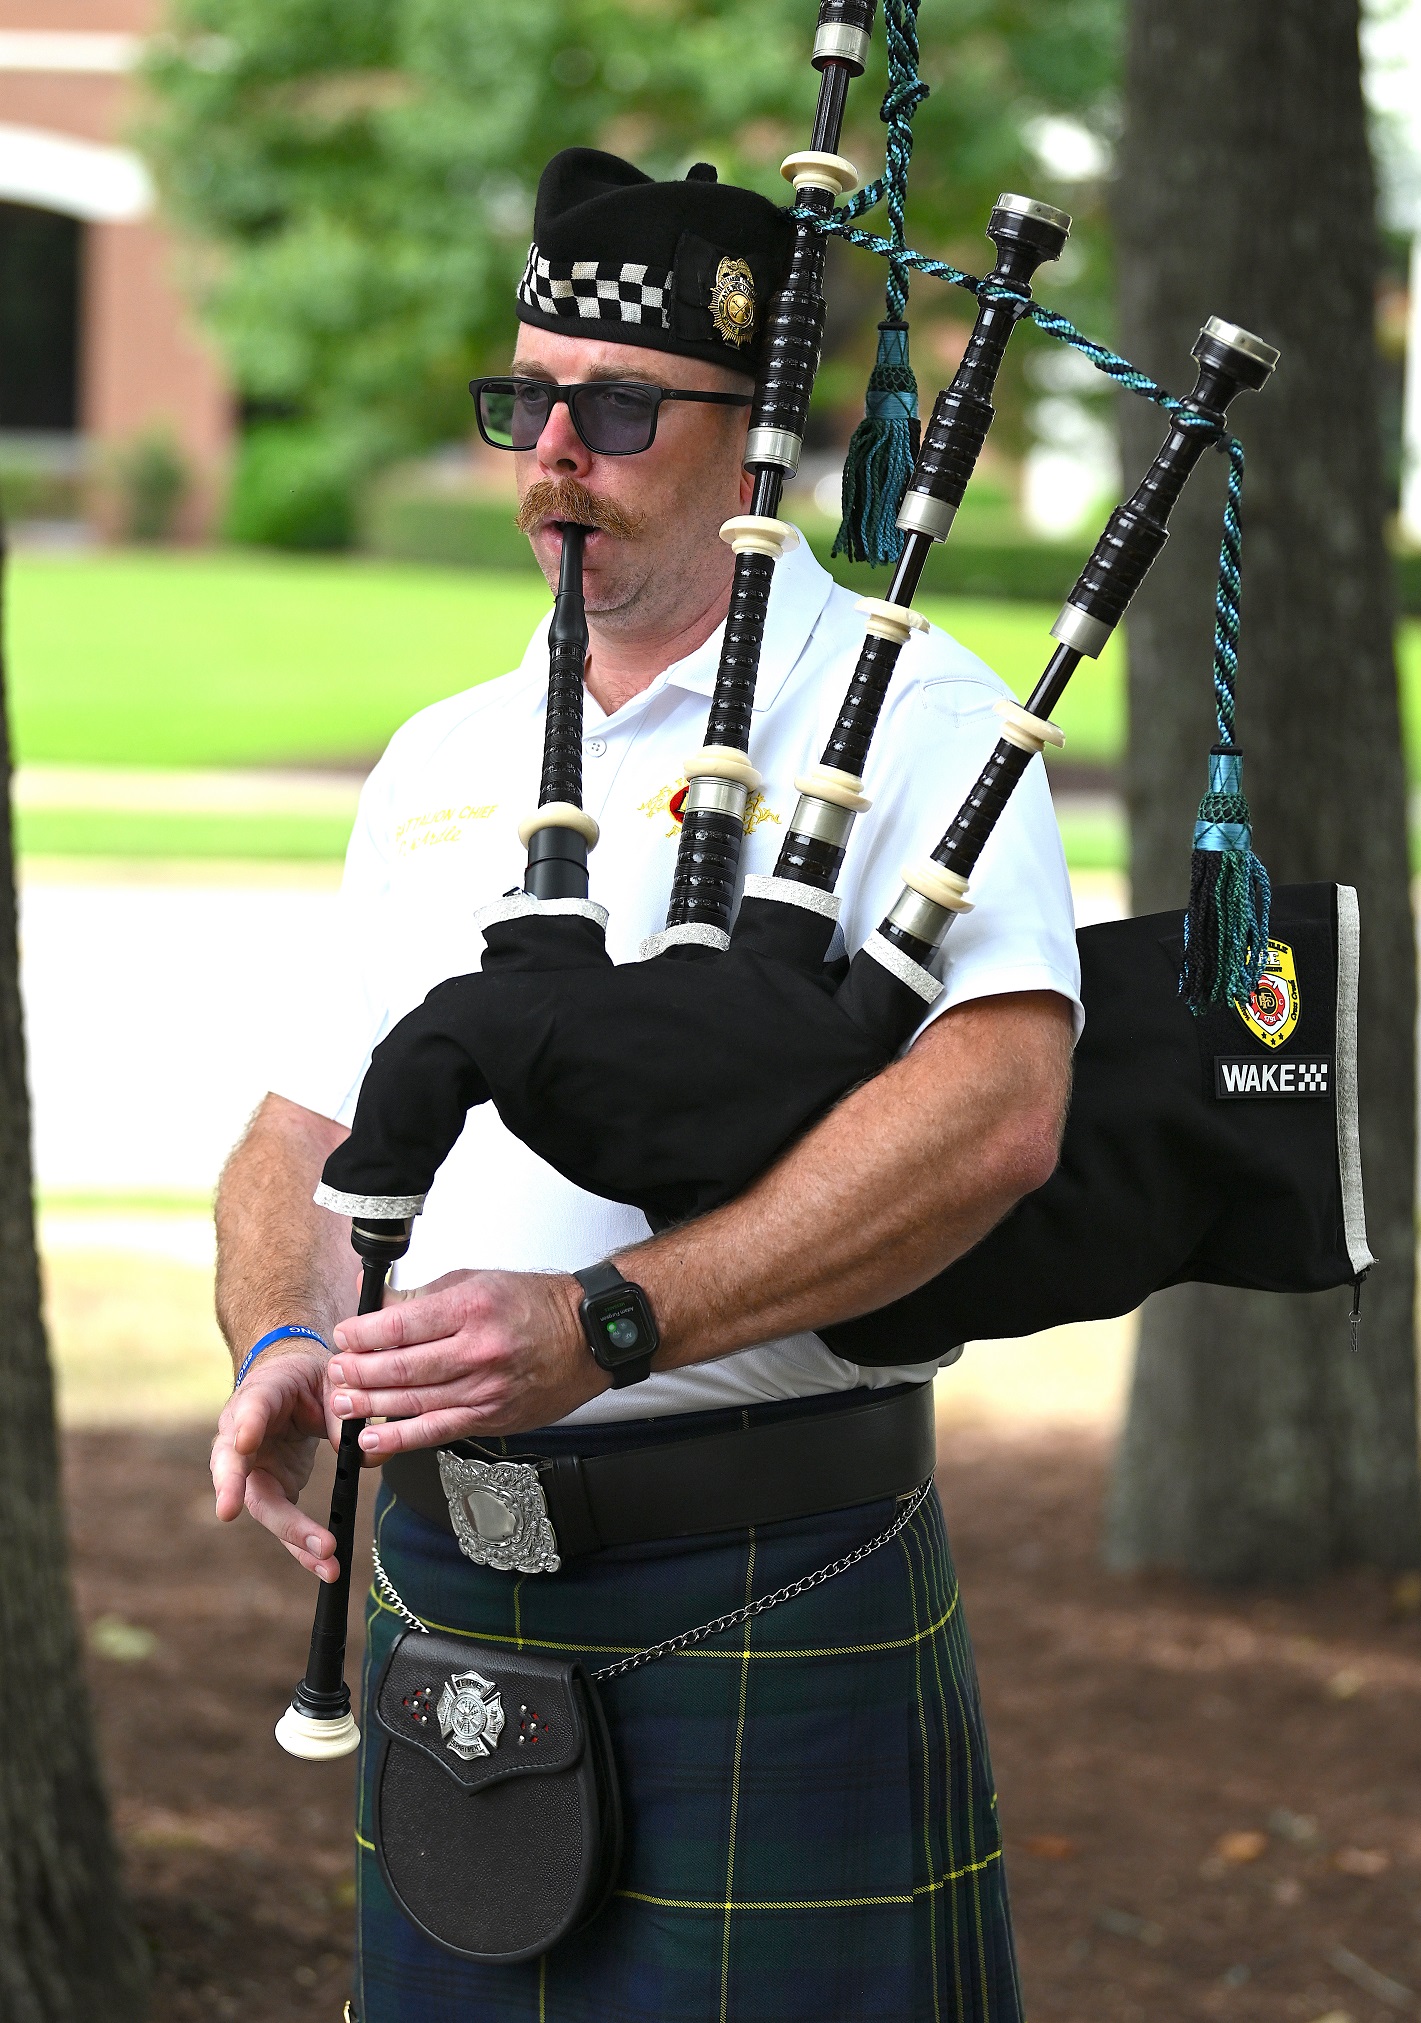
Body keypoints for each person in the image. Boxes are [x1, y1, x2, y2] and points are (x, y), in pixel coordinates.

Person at [210, 148, 1079, 2022]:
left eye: (613, 410)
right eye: (523, 400)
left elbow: (996, 1114)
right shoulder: (439, 758)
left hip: (772, 1575)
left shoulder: (918, 717)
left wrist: (611, 1324)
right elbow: (300, 1135)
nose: (551, 458)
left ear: (758, 438)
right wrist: (286, 1347)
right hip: (451, 1598)